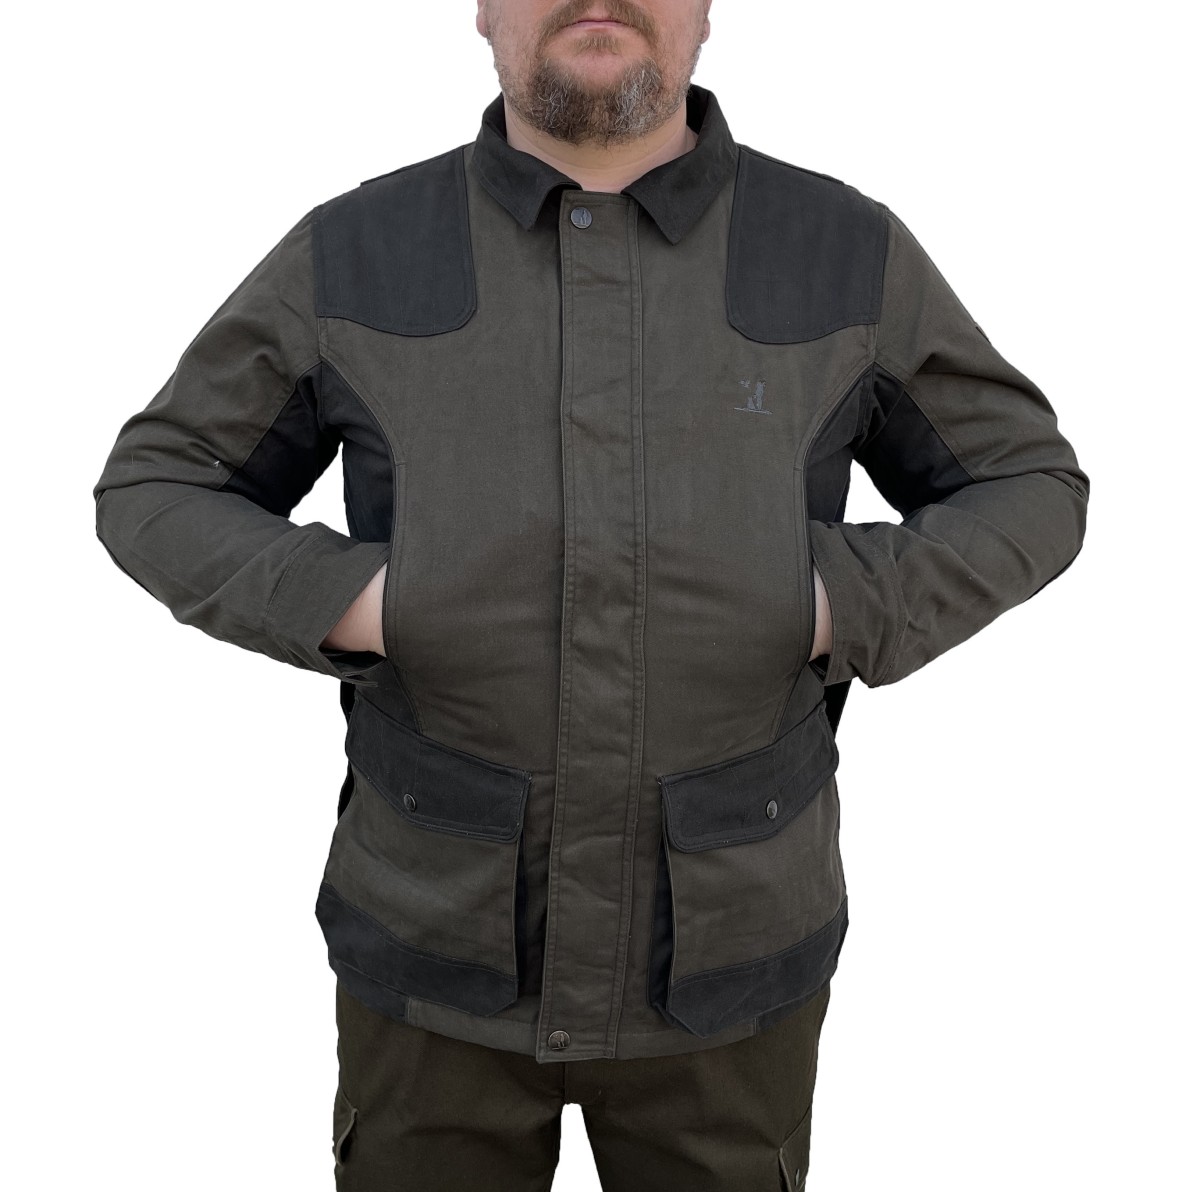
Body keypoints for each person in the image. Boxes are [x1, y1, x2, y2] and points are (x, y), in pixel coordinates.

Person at [92, 1, 1090, 1187]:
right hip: (431, 941)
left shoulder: (841, 252)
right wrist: (363, 601)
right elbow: (161, 482)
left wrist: (834, 599)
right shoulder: (355, 253)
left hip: (732, 954)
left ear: (705, 10)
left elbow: (1027, 482)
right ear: (483, 9)